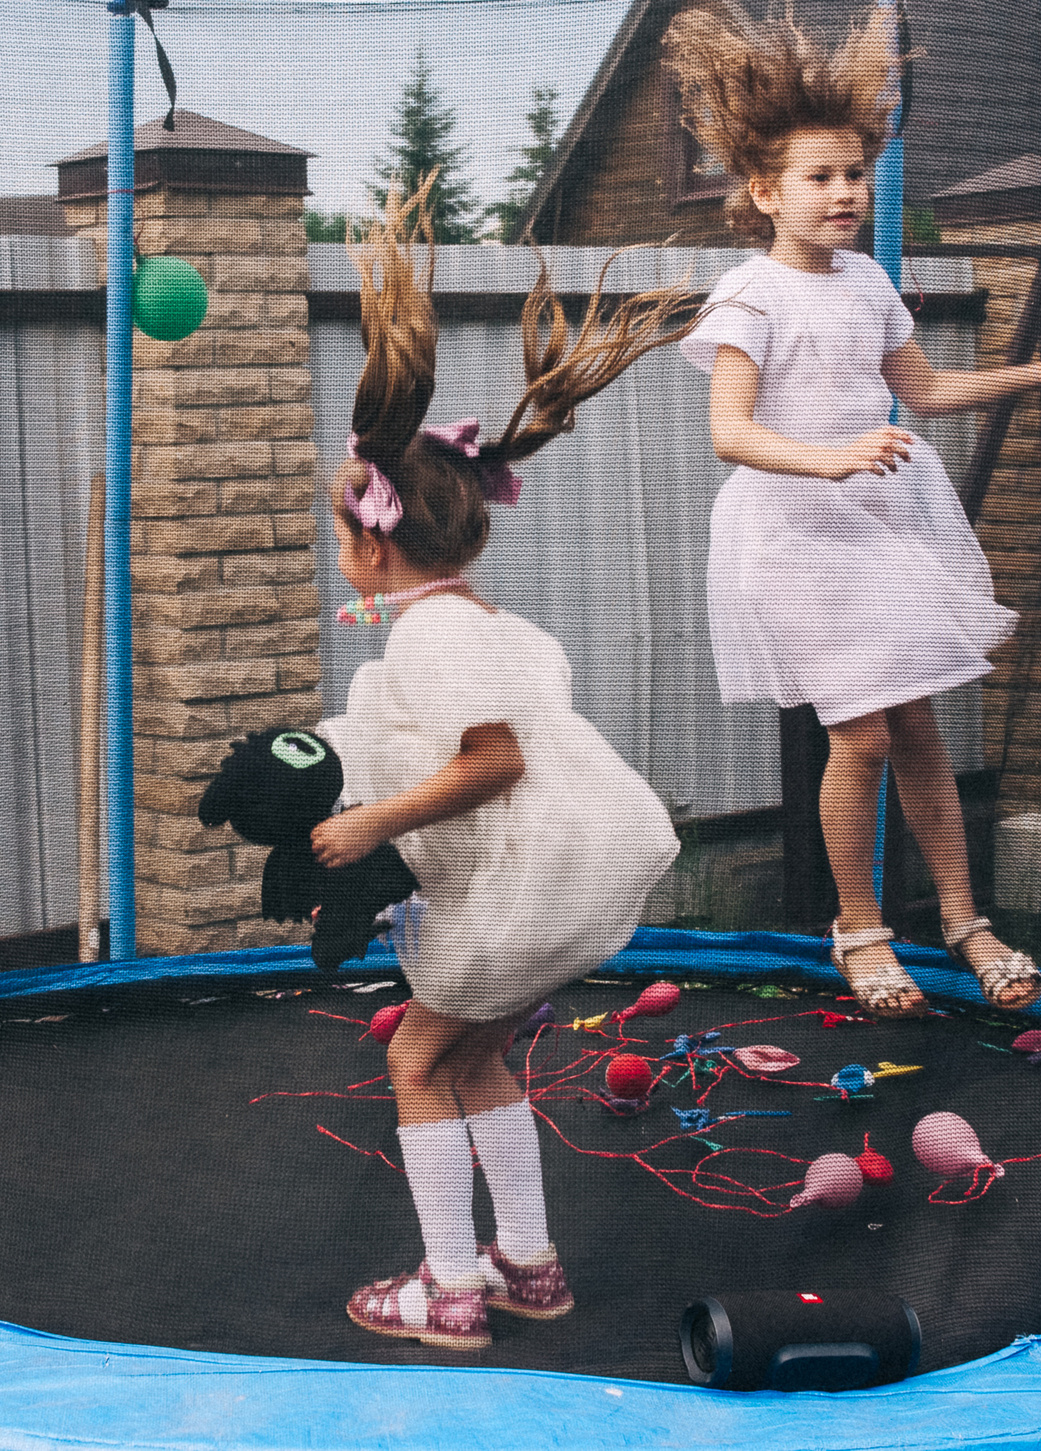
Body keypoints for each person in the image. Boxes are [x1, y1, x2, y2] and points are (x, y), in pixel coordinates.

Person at [661, 0, 1041, 1020]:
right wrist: (830, 457)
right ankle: (857, 930)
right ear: (765, 191)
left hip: (878, 522)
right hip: (794, 534)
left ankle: (962, 919)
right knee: (858, 736)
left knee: (918, 731)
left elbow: (932, 391)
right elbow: (729, 434)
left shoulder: (866, 281)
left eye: (854, 173)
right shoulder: (748, 295)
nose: (844, 192)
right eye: (819, 177)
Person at [309, 183, 687, 1352]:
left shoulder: (432, 632)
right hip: (569, 886)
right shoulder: (479, 621)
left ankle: (449, 1288)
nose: (339, 549)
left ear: (376, 537)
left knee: (421, 1058)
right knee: (477, 1058)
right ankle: (530, 1264)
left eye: (340, 529)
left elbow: (493, 762)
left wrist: (372, 826)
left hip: (511, 891)